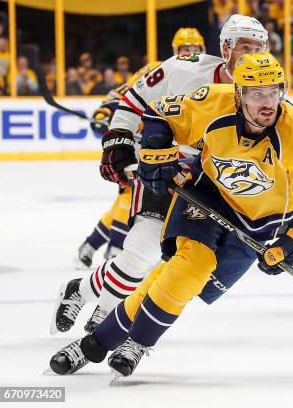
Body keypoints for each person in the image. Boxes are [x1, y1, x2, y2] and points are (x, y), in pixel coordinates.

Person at [49, 52, 293, 377]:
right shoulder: (213, 103)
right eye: (256, 92)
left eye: (273, 91)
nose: (267, 102)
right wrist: (156, 154)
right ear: (238, 93)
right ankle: (119, 345)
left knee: (178, 280)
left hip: (258, 226)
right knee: (192, 265)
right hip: (207, 196)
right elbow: (159, 114)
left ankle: (94, 343)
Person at [52, 16, 270, 336]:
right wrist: (119, 136)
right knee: (142, 250)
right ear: (226, 48)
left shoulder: (265, 90)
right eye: (245, 48)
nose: (253, 55)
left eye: (259, 48)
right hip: (161, 167)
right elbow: (134, 98)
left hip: (206, 184)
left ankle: (85, 294)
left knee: (161, 262)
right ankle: (102, 305)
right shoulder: (183, 69)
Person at [71, 26, 206, 272]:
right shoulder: (161, 67)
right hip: (150, 145)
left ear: (203, 50)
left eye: (193, 49)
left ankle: (92, 247)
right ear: (175, 50)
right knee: (132, 194)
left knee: (139, 199)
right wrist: (106, 111)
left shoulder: (211, 73)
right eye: (183, 49)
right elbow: (125, 94)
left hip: (186, 153)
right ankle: (114, 247)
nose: (188, 53)